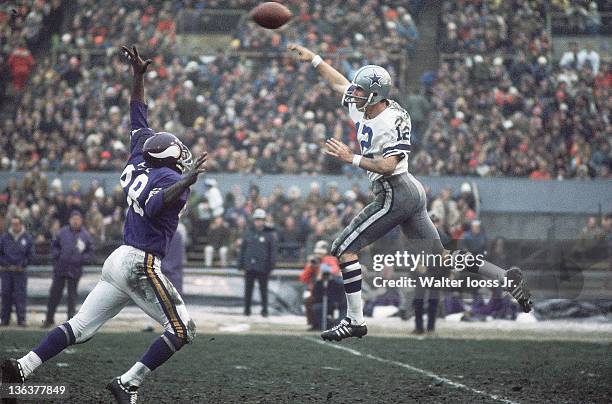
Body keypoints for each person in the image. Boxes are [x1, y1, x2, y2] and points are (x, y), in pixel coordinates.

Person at [1, 45, 208, 404]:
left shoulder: (140, 153)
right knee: (183, 329)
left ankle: (24, 365)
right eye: (179, 156)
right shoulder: (167, 181)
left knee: (80, 326)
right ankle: (127, 383)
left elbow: (137, 113)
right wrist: (185, 182)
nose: (183, 158)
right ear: (170, 161)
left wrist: (138, 77)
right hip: (141, 262)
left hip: (119, 259)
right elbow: (158, 202)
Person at [287, 43, 533, 341]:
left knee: (343, 249)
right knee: (441, 258)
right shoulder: (367, 103)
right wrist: (314, 59)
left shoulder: (391, 120)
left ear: (375, 96)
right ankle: (505, 277)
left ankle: (355, 321)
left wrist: (350, 157)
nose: (353, 94)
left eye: (361, 92)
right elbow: (339, 82)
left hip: (396, 191)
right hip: (409, 190)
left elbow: (389, 166)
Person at [43, 211, 93, 327]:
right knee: (54, 295)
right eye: (73, 219)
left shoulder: (85, 235)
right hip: (61, 268)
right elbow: (54, 246)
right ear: (70, 220)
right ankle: (49, 319)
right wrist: (58, 256)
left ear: (81, 221)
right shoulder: (62, 232)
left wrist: (81, 258)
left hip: (75, 270)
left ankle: (70, 323)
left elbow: (90, 252)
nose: (75, 221)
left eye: (78, 219)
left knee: (72, 297)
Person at [239, 208, 276, 317]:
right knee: (248, 290)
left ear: (264, 220)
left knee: (263, 290)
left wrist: (271, 265)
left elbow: (272, 251)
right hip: (250, 266)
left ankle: (264, 310)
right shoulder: (248, 232)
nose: (258, 221)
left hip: (263, 266)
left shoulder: (269, 234)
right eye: (257, 219)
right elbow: (243, 249)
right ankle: (247, 310)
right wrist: (240, 263)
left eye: (260, 219)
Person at [0, 216, 33, 327]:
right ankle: (5, 319)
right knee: (6, 295)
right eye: (13, 224)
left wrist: (22, 264)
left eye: (17, 224)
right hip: (6, 271)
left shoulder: (27, 238)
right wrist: (6, 264)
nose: (15, 226)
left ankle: (21, 319)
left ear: (21, 224)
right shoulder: (4, 238)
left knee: (20, 296)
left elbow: (30, 254)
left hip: (20, 271)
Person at [299, 240, 340, 329]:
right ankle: (313, 324)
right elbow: (303, 278)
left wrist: (322, 268)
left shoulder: (329, 260)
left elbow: (335, 270)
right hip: (316, 292)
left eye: (321, 253)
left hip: (328, 292)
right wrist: (310, 267)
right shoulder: (313, 261)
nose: (319, 255)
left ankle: (325, 323)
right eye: (317, 253)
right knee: (308, 301)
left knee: (316, 305)